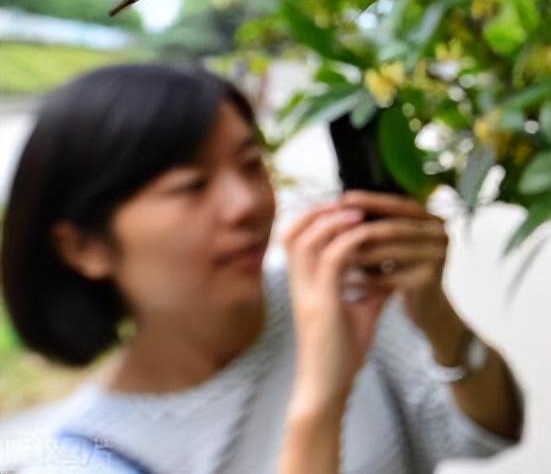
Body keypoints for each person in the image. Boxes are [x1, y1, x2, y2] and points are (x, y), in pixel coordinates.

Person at [0, 63, 523, 473]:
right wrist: (321, 395)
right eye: (191, 186)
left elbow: (493, 430)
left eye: (252, 166)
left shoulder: (335, 298)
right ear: (83, 246)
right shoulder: (82, 458)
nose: (246, 202)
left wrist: (438, 320)